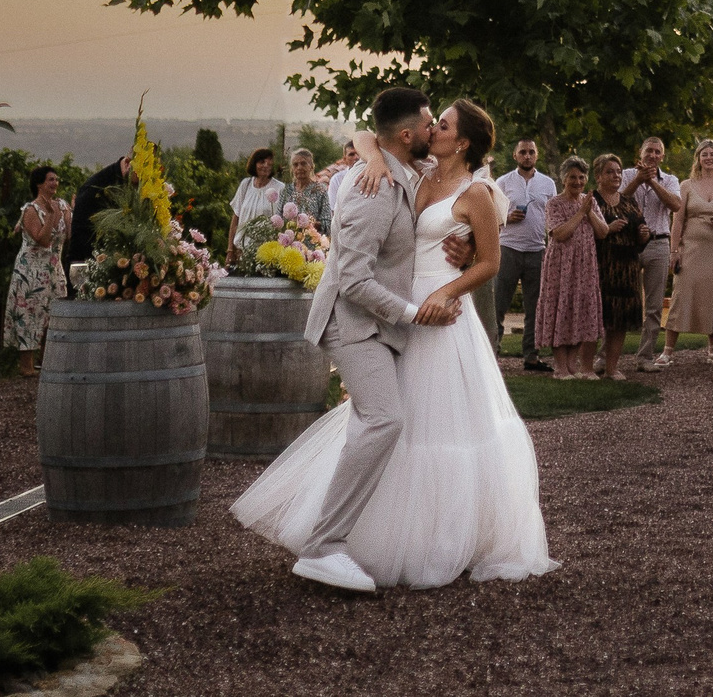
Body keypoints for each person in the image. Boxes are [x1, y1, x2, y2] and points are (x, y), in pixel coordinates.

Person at [232, 89, 554, 591]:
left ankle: (443, 538)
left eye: (442, 124)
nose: (434, 129)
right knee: (389, 419)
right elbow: (368, 137)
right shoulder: (395, 176)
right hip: (392, 311)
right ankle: (340, 543)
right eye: (432, 122)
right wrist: (369, 152)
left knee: (435, 422)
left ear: (462, 142)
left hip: (436, 312)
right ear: (409, 135)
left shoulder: (474, 191)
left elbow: (489, 256)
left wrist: (458, 267)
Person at [617, 137, 683, 372]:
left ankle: (644, 357)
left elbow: (676, 205)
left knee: (654, 305)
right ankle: (607, 357)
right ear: (641, 152)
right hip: (628, 243)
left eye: (657, 152)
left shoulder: (671, 180)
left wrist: (653, 182)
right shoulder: (625, 174)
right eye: (649, 151)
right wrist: (638, 179)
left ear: (662, 157)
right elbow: (617, 201)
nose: (653, 155)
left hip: (658, 244)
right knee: (621, 300)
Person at [536, 156, 604, 379]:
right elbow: (561, 234)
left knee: (580, 310)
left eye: (581, 177)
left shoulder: (589, 201)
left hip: (585, 265)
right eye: (572, 177)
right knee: (561, 308)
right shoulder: (554, 203)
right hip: (561, 265)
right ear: (564, 179)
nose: (577, 181)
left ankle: (572, 364)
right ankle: (560, 366)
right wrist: (580, 213)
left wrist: (588, 210)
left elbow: (603, 232)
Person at [494, 137, 556, 374]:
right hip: (508, 248)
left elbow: (551, 216)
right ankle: (493, 354)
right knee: (499, 305)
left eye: (531, 152)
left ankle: (531, 356)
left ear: (536, 155)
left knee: (535, 308)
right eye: (523, 152)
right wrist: (507, 218)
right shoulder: (503, 182)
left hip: (537, 250)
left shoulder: (548, 184)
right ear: (515, 156)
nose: (527, 156)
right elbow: (492, 214)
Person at [670, 141, 713, 369]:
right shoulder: (686, 185)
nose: (708, 158)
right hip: (691, 246)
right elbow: (678, 220)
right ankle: (668, 351)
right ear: (698, 158)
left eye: (712, 154)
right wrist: (674, 250)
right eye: (704, 154)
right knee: (681, 295)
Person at [3, 166, 71, 375]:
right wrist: (50, 215)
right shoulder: (30, 210)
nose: (55, 183)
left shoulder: (62, 205)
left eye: (56, 180)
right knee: (30, 311)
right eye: (50, 180)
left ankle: (47, 360)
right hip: (31, 270)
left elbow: (67, 236)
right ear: (39, 183)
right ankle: (26, 366)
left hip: (53, 267)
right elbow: (42, 240)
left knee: (54, 312)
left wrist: (69, 214)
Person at [591, 155, 647, 382]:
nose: (615, 176)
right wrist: (608, 228)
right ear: (598, 176)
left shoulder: (628, 201)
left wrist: (644, 234)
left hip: (628, 266)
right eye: (609, 171)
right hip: (602, 264)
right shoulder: (592, 200)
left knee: (620, 319)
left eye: (618, 171)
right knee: (597, 317)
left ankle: (612, 368)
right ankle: (587, 366)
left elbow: (639, 226)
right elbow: (585, 232)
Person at [66, 154, 132, 267]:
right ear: (127, 163)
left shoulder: (124, 182)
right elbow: (82, 237)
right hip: (87, 263)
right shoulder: (97, 187)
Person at [228, 147, 285, 264]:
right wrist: (230, 250)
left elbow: (284, 223)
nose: (266, 165)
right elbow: (236, 218)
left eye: (269, 162)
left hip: (266, 254)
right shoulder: (245, 185)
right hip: (241, 251)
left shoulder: (280, 188)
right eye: (262, 162)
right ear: (254, 164)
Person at [283, 147, 333, 233]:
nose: (299, 168)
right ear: (292, 168)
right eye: (295, 165)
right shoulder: (286, 191)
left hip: (313, 243)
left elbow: (328, 223)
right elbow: (278, 219)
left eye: (303, 163)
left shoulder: (320, 190)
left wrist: (309, 224)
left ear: (311, 166)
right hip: (288, 243)